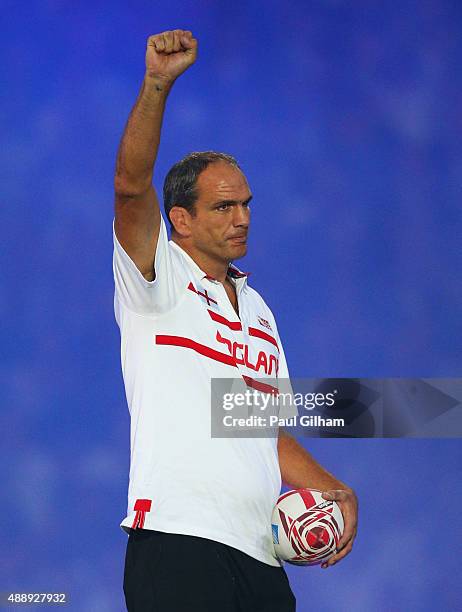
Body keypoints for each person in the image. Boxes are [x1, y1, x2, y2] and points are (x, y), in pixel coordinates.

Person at [113, 29, 358, 612]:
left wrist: (330, 486)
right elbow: (128, 187)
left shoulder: (261, 311)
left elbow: (257, 428)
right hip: (177, 542)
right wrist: (155, 86)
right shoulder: (157, 278)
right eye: (224, 206)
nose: (242, 217)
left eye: (246, 203)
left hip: (259, 557)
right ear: (182, 220)